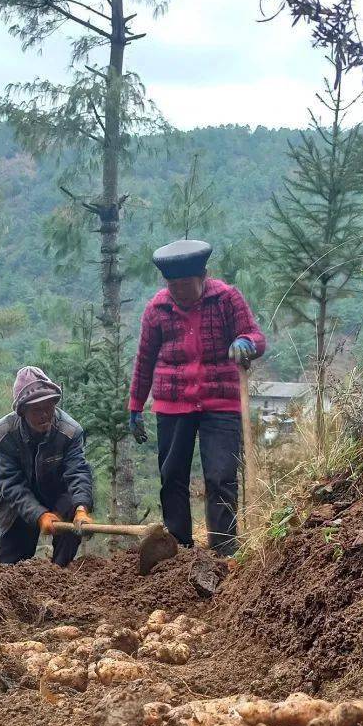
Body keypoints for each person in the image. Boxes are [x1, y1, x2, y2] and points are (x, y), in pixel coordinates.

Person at [128, 238, 266, 556]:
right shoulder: (157, 310)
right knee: (172, 475)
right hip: (173, 404)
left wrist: (246, 342)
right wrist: (136, 405)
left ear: (203, 275)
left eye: (186, 285)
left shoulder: (227, 299)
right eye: (173, 286)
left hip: (221, 402)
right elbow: (144, 360)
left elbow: (256, 336)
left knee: (220, 476)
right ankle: (179, 547)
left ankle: (224, 549)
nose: (180, 292)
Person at [0, 365, 94, 566]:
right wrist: (39, 514)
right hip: (19, 503)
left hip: (60, 496)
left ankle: (59, 575)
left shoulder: (70, 431)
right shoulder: (4, 435)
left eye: (49, 407)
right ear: (22, 411)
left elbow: (78, 472)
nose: (45, 414)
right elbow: (10, 483)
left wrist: (82, 507)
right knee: (8, 568)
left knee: (72, 510)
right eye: (37, 410)